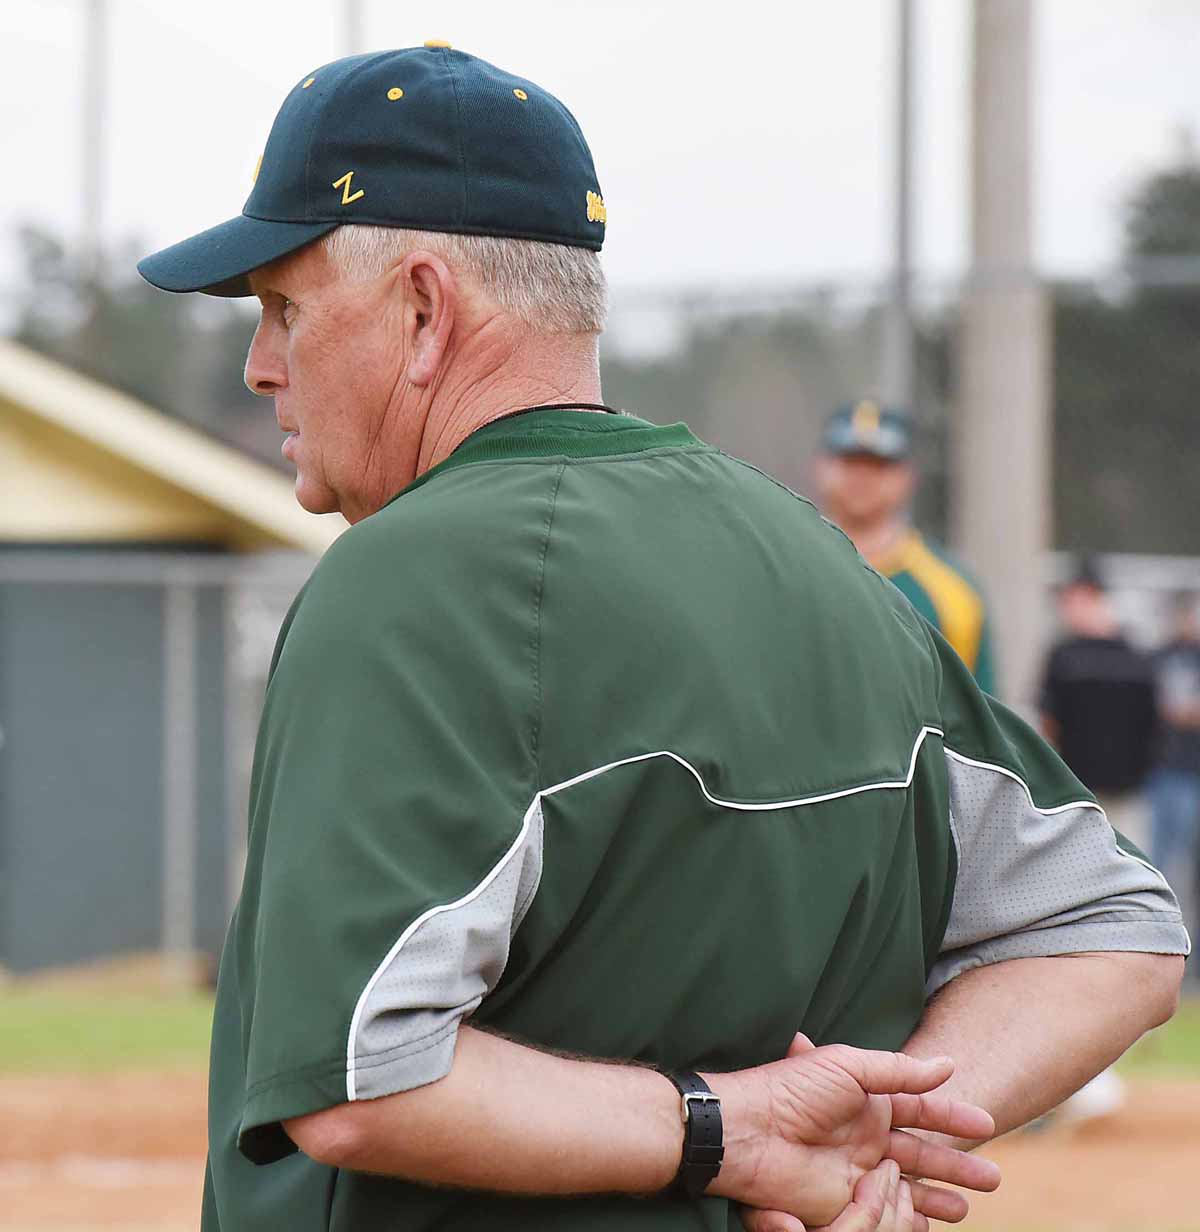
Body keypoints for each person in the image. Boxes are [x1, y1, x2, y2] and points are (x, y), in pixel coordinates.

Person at [138, 44, 1187, 1232]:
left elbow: (353, 1071)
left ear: (425, 310)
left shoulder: (401, 584)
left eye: (285, 308)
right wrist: (876, 1143)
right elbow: (1118, 929)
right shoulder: (824, 567)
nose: (260, 365)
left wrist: (727, 1129)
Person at [813, 401, 997, 694]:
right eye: (850, 462)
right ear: (821, 467)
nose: (862, 477)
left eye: (878, 465)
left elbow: (979, 710)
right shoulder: (785, 567)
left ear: (907, 476)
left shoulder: (953, 591)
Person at [1039, 558, 1158, 853]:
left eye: (1071, 600)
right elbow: (1048, 720)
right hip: (1077, 794)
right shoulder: (1065, 655)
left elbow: (1151, 723)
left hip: (1124, 794)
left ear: (1089, 595)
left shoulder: (1133, 657)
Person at [1149, 591, 1200, 981]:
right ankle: (1163, 955)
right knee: (1161, 867)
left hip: (1192, 772)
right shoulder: (1159, 658)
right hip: (1165, 774)